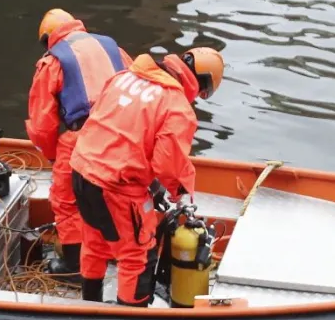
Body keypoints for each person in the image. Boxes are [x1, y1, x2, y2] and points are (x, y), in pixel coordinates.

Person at [68, 46, 225, 306]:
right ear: (203, 84)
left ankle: (89, 305)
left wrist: (152, 184)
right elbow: (168, 165)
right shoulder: (176, 106)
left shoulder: (123, 77)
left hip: (81, 171)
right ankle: (130, 319)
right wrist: (180, 192)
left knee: (95, 242)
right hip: (117, 187)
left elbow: (109, 125)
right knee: (137, 256)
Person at [24, 8, 132, 280]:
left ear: (48, 38)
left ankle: (73, 265)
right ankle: (120, 252)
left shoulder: (53, 61)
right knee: (117, 194)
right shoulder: (114, 49)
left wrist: (52, 155)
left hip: (85, 138)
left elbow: (42, 124)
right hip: (125, 135)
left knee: (66, 198)